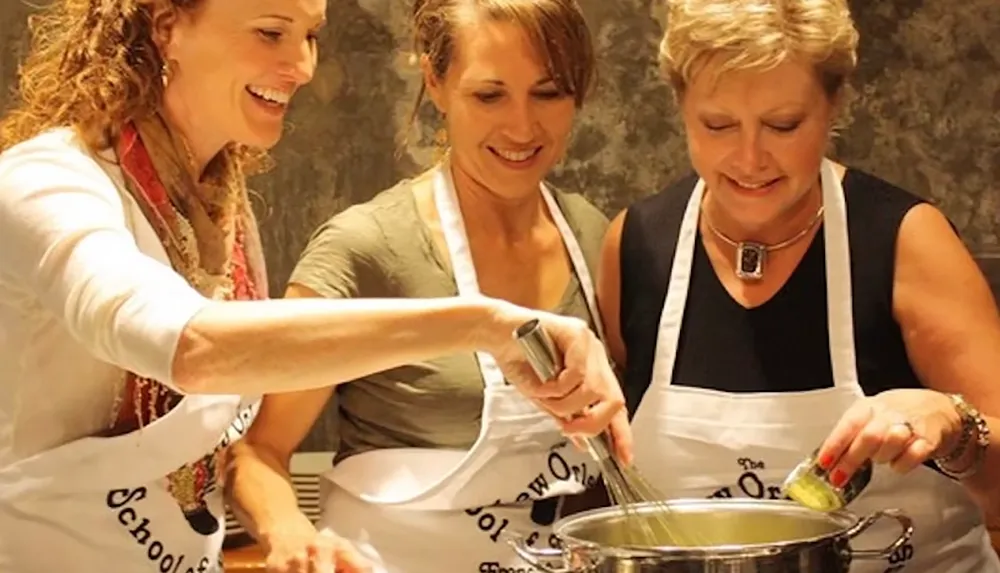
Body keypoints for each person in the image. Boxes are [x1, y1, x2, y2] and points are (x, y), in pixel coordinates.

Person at [0, 0, 630, 571]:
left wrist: (290, 539)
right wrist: (485, 326)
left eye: (309, 36)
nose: (302, 66)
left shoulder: (222, 205)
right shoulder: (45, 183)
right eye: (272, 32)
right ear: (167, 26)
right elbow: (191, 348)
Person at [597, 0, 1000, 571]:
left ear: (834, 105)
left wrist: (956, 428)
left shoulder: (906, 239)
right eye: (718, 125)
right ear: (680, 106)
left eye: (783, 125)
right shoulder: (635, 244)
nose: (750, 157)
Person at [225, 1, 614, 571]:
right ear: (435, 81)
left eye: (548, 92)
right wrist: (289, 533)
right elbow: (256, 451)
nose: (522, 127)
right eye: (489, 95)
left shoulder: (593, 236)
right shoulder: (364, 249)